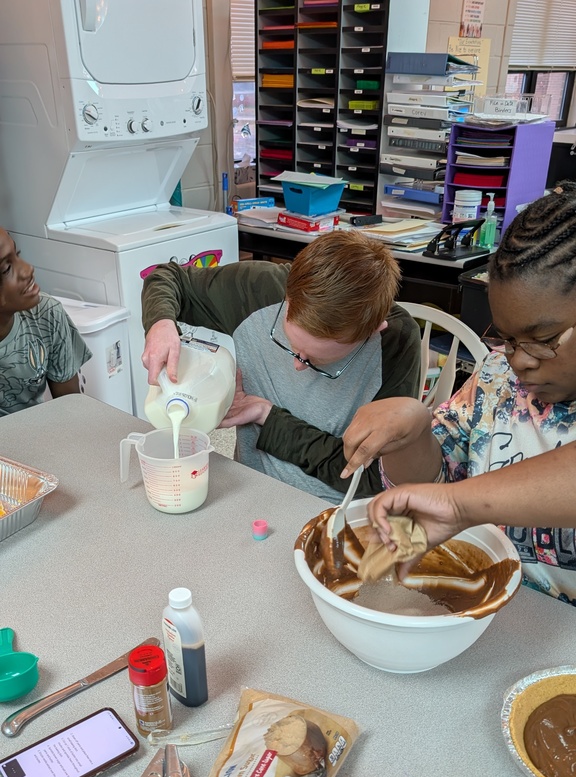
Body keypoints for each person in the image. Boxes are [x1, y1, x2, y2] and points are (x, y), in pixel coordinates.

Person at [341, 182, 576, 604]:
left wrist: (459, 505)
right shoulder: (497, 377)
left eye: (542, 339)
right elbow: (437, 483)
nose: (520, 360)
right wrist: (412, 432)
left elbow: (455, 501)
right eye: (506, 338)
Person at [141, 231, 421, 503]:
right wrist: (160, 323)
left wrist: (268, 417)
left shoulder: (395, 342)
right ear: (288, 294)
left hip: (338, 509)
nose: (297, 366)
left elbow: (373, 477)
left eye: (316, 360)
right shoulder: (259, 288)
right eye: (287, 342)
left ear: (373, 330)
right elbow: (167, 277)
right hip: (249, 489)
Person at [0, 228, 91, 416]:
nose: (28, 269)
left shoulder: (46, 314)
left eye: (17, 255)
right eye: (6, 269)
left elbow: (72, 409)